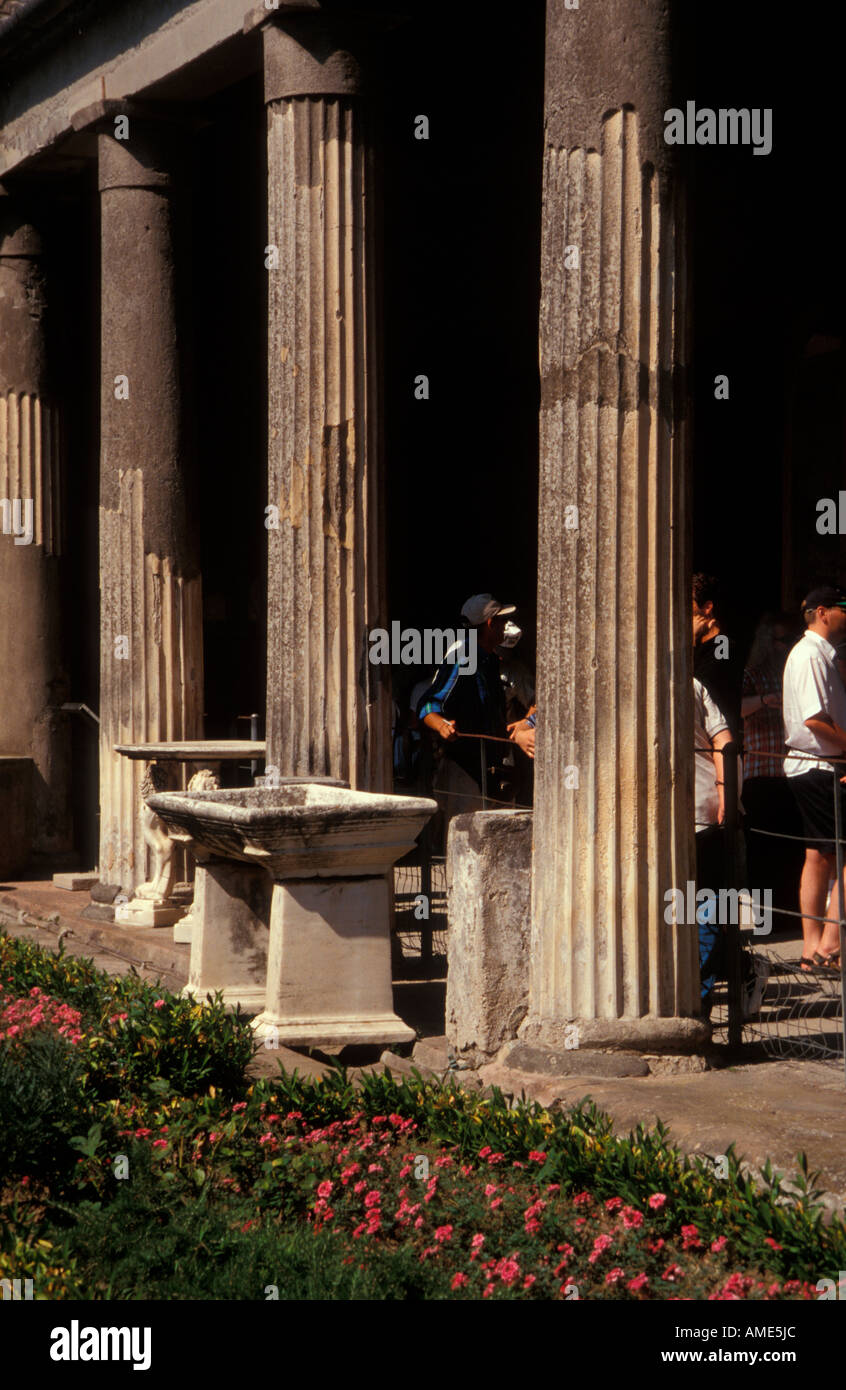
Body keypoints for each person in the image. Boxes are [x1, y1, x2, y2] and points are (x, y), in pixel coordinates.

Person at [782, 585, 846, 971]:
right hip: (819, 765)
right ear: (823, 612)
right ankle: (827, 945)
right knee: (836, 855)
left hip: (818, 765)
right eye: (843, 608)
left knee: (818, 856)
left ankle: (812, 948)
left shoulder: (821, 655)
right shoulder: (808, 655)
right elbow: (814, 719)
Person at [416, 593, 514, 829]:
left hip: (491, 766)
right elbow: (427, 704)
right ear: (490, 624)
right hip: (465, 770)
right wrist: (442, 726)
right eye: (501, 621)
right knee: (466, 837)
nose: (505, 627)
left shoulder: (490, 661)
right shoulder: (463, 659)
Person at [740, 612, 804, 922]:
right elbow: (735, 709)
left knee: (793, 851)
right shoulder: (752, 673)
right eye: (783, 641)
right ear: (769, 643)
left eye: (792, 640)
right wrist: (765, 699)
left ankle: (792, 914)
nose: (788, 647)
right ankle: (767, 919)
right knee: (763, 852)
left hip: (792, 773)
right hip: (761, 774)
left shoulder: (797, 672)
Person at [693, 573, 744, 744]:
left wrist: (691, 642)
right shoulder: (697, 645)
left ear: (707, 607)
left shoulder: (723, 643)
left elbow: (704, 682)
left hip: (718, 740)